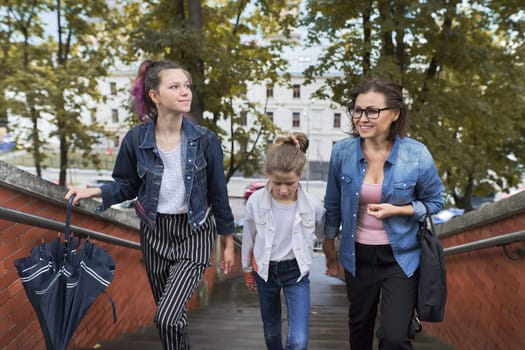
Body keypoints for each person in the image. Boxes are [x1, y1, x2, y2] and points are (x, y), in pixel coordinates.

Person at [65, 59, 235, 350]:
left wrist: (228, 241)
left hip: (194, 232)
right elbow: (127, 185)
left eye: (186, 86)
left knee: (167, 317)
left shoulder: (206, 141)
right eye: (175, 86)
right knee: (173, 316)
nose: (185, 92)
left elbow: (218, 193)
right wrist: (93, 190)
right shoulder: (135, 139)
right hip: (154, 232)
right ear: (155, 96)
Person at [322, 78, 444, 350]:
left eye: (372, 111)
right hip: (357, 257)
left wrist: (400, 210)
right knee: (359, 330)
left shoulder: (416, 155)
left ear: (396, 113)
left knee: (393, 337)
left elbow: (435, 201)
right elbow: (332, 204)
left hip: (400, 258)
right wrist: (329, 245)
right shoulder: (342, 153)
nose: (362, 118)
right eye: (357, 110)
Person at [242, 132, 325, 350]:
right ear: (268, 175)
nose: (283, 189)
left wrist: (334, 258)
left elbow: (325, 234)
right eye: (277, 182)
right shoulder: (255, 202)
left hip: (296, 272)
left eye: (290, 183)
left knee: (298, 341)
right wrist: (247, 269)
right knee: (271, 332)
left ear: (300, 176)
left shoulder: (313, 206)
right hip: (265, 272)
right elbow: (248, 237)